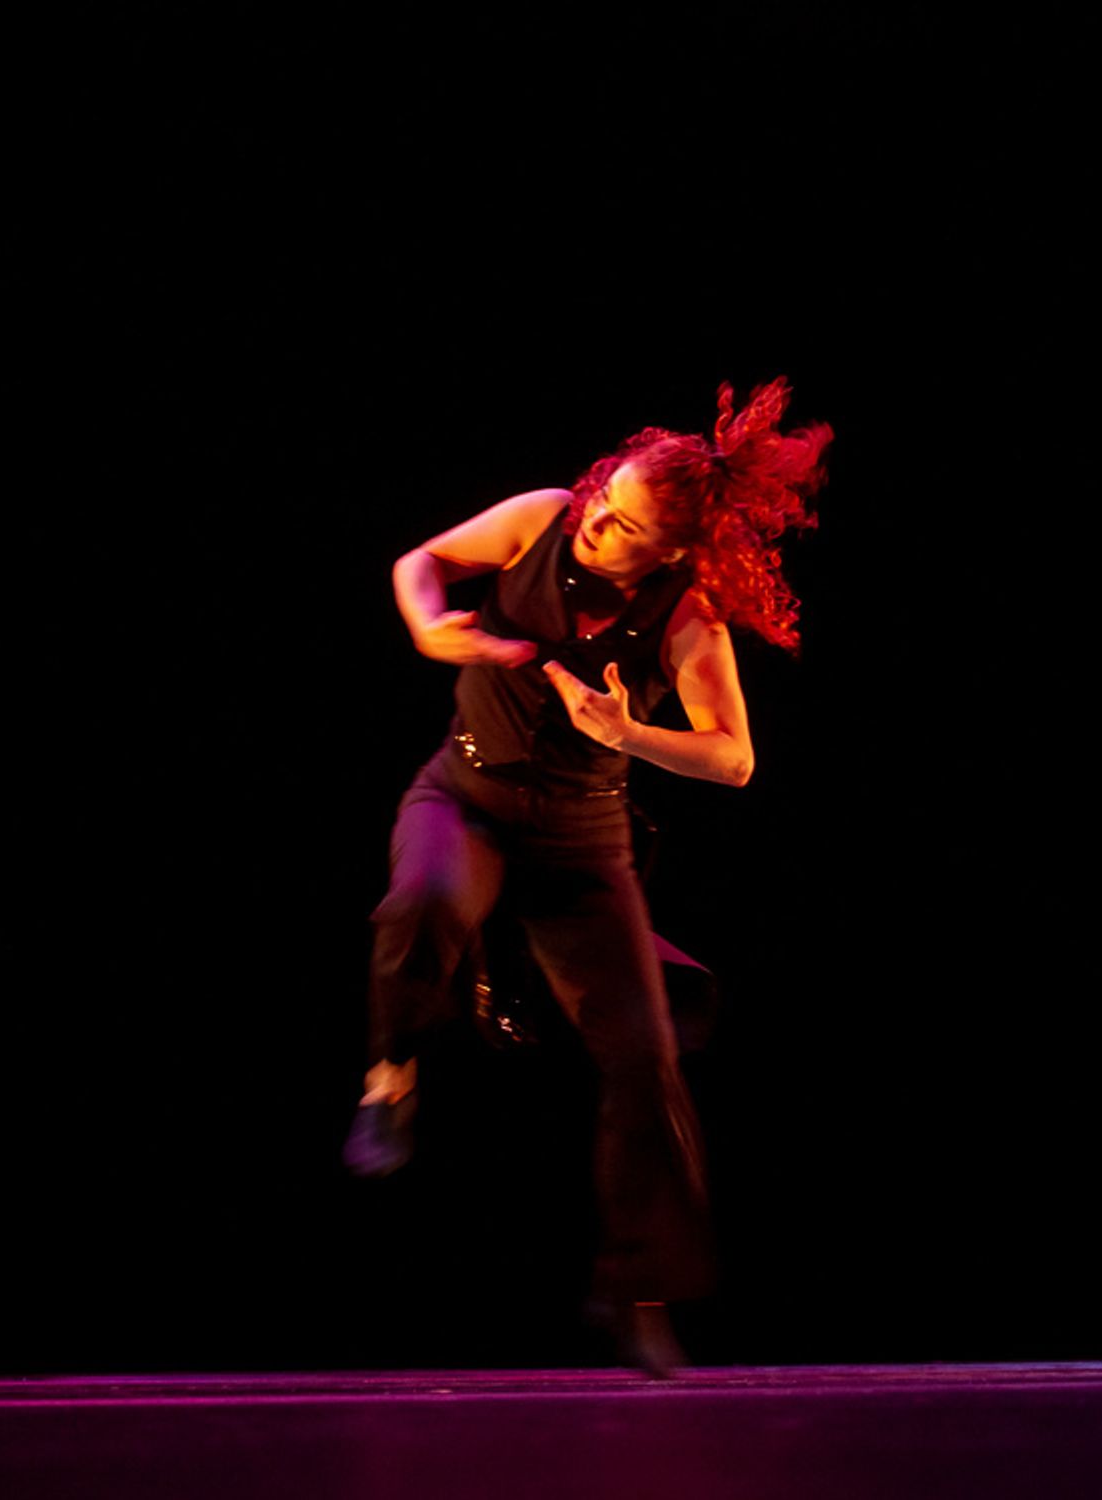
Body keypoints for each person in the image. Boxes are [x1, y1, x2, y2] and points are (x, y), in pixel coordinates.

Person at [343, 378, 832, 1375]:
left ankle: (637, 1288)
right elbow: (420, 562)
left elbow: (734, 758)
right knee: (423, 904)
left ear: (670, 550)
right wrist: (430, 625)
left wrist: (628, 732)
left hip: (581, 841)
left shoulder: (686, 611)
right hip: (465, 798)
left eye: (626, 529)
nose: (600, 527)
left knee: (647, 1063)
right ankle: (391, 1072)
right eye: (605, 500)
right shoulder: (541, 520)